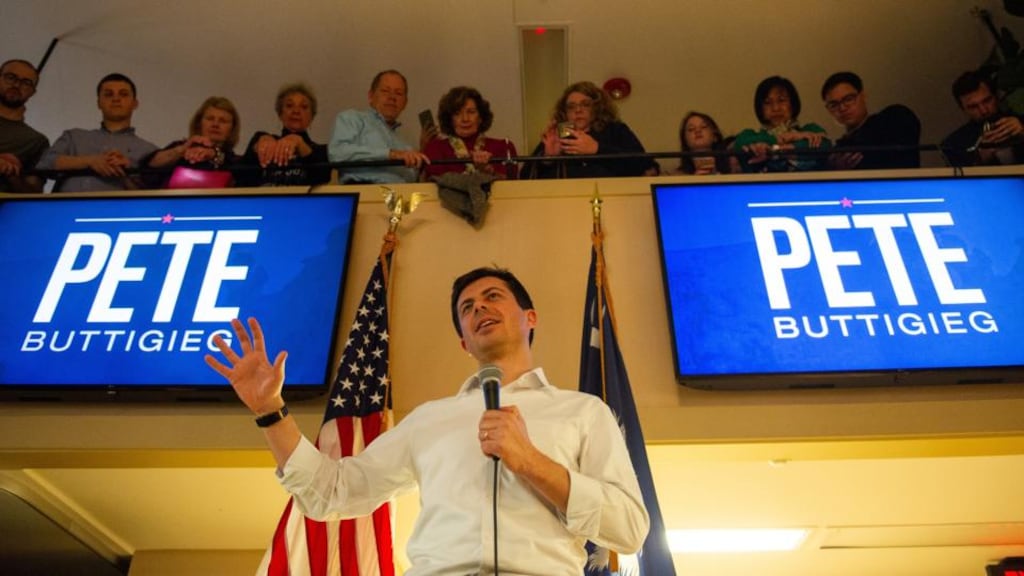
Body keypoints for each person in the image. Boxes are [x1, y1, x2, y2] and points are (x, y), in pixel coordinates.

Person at [205, 266, 649, 575]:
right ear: (463, 342)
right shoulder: (429, 420)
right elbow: (330, 494)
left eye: (493, 297)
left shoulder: (584, 411)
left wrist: (530, 460)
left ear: (529, 318)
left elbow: (629, 528)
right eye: (467, 307)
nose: (479, 309)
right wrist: (270, 411)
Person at [35, 73, 158, 192]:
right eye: (108, 94)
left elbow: (157, 195)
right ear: (99, 102)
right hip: (68, 210)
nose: (116, 99)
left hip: (121, 212)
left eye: (123, 94)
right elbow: (45, 164)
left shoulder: (150, 151)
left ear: (135, 103)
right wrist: (90, 161)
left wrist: (126, 172)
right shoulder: (74, 137)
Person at [525, 81, 658, 179]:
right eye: (571, 107)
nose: (578, 110)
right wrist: (547, 159)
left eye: (585, 104)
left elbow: (647, 166)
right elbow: (523, 177)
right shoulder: (559, 134)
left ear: (597, 107)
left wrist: (597, 149)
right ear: (564, 113)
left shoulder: (614, 129)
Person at [328, 69, 430, 183]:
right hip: (364, 191)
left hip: (403, 195)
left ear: (405, 103)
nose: (392, 97)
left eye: (399, 93)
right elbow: (337, 153)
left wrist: (422, 152)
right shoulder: (352, 118)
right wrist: (390, 154)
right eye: (385, 91)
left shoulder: (407, 143)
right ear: (371, 96)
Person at [820, 71, 921, 170]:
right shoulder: (836, 153)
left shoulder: (893, 118)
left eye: (848, 99)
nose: (842, 108)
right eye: (833, 105)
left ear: (863, 96)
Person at [238, 82, 331, 187]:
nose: (296, 111)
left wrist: (300, 143)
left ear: (312, 116)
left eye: (304, 107)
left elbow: (321, 178)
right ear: (280, 113)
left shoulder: (321, 151)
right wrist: (259, 144)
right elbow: (243, 178)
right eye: (289, 105)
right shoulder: (261, 138)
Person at [733, 75, 831, 172]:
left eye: (781, 100)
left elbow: (825, 145)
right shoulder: (749, 135)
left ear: (792, 104)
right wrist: (782, 139)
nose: (776, 108)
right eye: (767, 102)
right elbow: (739, 146)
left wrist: (775, 149)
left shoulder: (811, 129)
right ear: (760, 108)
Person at [145, 96, 241, 189]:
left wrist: (213, 154)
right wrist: (182, 150)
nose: (215, 124)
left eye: (223, 121)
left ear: (232, 129)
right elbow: (150, 165)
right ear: (199, 123)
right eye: (210, 119)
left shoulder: (234, 161)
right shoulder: (181, 147)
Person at [422, 86, 517, 179]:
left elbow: (512, 186)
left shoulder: (504, 146)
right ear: (450, 119)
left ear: (480, 117)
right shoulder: (435, 148)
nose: (465, 119)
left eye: (471, 112)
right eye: (457, 113)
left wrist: (487, 170)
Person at [941, 70, 1024, 166]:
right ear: (963, 109)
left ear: (996, 97)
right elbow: (961, 179)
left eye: (987, 101)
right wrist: (980, 159)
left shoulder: (1020, 122)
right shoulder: (953, 144)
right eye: (973, 107)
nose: (984, 110)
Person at [0, 59, 48, 193]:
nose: (16, 84)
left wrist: (12, 175)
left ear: (32, 91)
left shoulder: (36, 141)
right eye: (11, 77)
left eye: (26, 82)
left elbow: (34, 193)